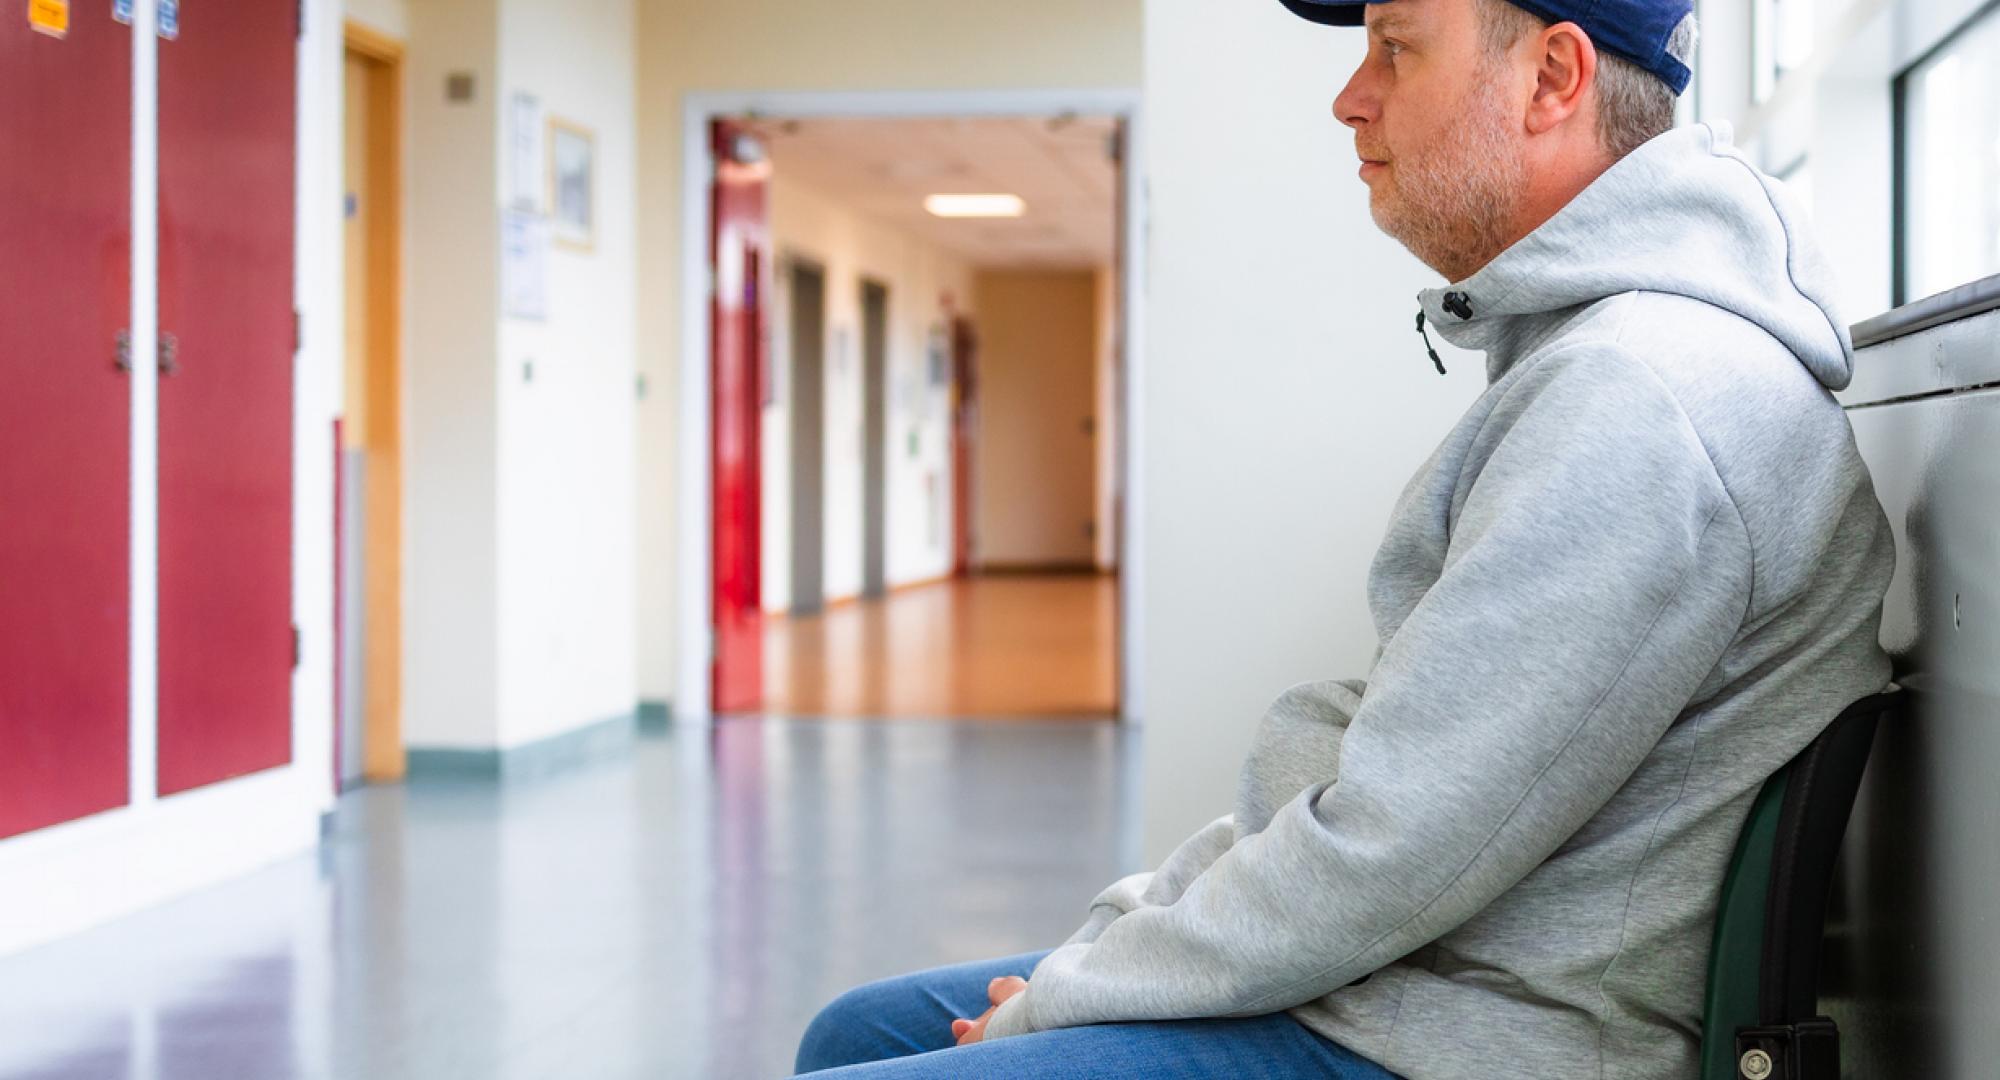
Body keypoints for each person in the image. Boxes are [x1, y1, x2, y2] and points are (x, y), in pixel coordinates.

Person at [793, 0, 1895, 1073]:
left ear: (1552, 78)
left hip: (1473, 1034)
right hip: (1410, 976)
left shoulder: (1636, 398)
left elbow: (1383, 852)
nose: (1348, 99)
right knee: (854, 1032)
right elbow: (1371, 780)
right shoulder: (1594, 363)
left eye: (1394, 50)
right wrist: (1112, 943)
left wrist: (1072, 991)